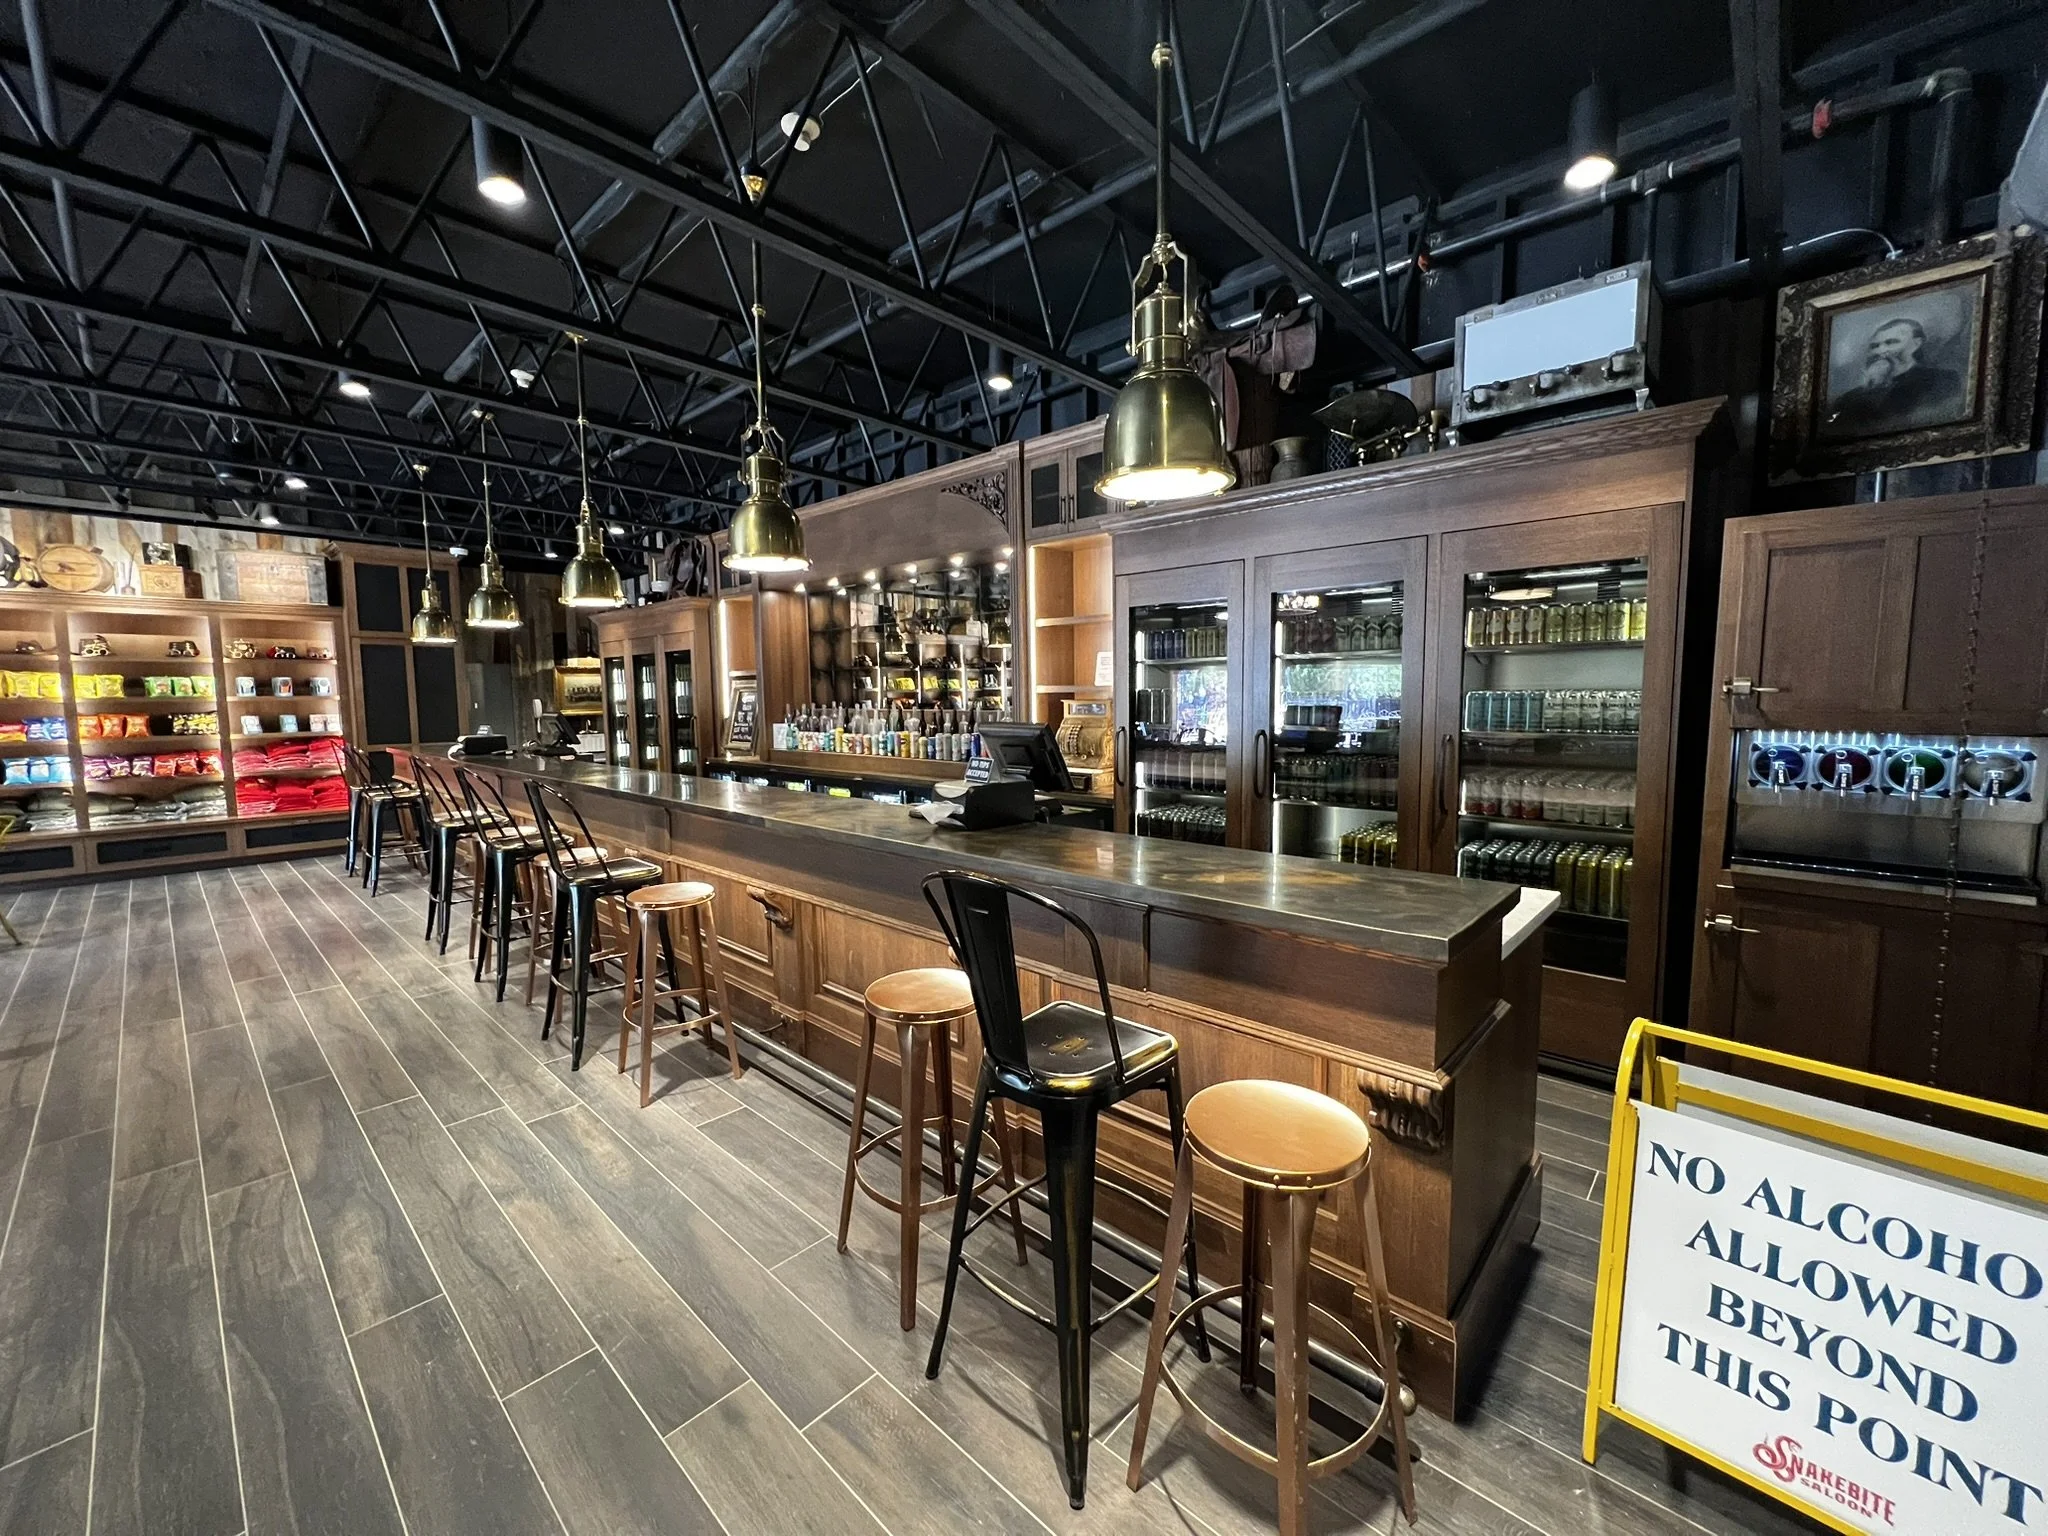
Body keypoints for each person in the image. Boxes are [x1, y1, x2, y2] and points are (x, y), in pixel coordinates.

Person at [1824, 315, 1967, 437]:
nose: (1881, 351)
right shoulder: (1850, 398)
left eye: (1891, 342)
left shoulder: (1940, 379)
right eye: (1875, 346)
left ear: (1916, 344)